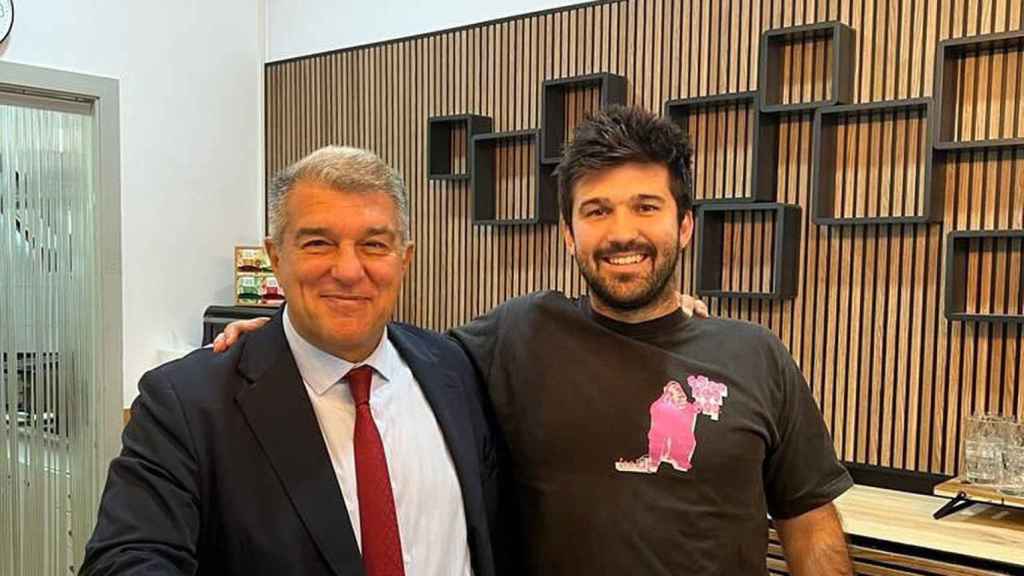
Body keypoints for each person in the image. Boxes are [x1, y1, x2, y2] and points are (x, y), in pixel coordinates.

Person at [218, 106, 854, 575]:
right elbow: (392, 352)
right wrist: (286, 338)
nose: (622, 232)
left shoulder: (755, 354)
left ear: (685, 225)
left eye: (646, 207)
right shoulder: (517, 336)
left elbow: (809, 521)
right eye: (597, 211)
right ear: (570, 235)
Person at [81, 147, 499, 576]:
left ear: (404, 259)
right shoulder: (188, 404)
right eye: (319, 243)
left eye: (374, 245)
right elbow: (124, 561)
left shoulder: (455, 369)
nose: (349, 270)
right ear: (275, 257)